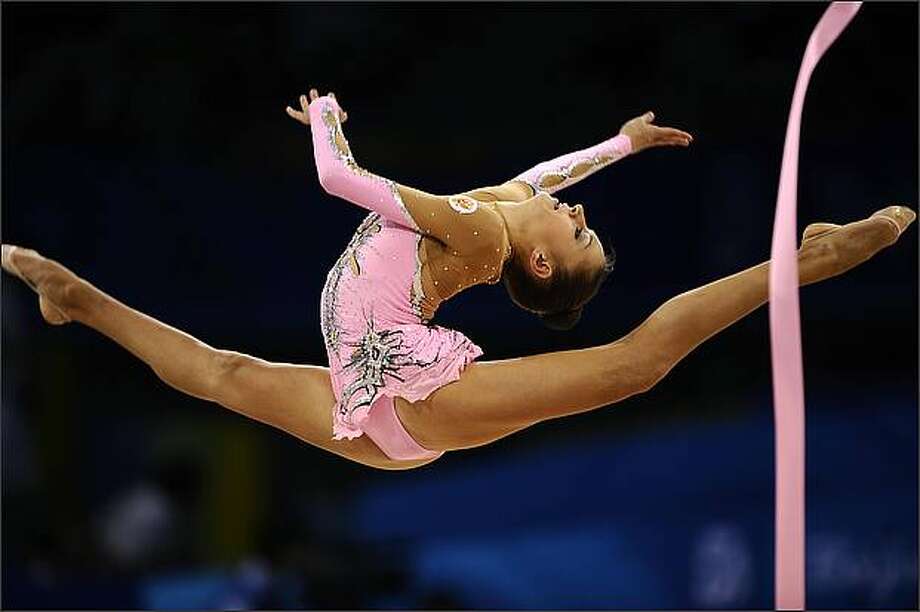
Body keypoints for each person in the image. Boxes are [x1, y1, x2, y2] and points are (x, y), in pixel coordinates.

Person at [2, 88, 914, 471]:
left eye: (580, 236)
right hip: (369, 397)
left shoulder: (474, 226)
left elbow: (335, 179)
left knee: (632, 367)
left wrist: (326, 118)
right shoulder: (508, 206)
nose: (580, 212)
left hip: (411, 390)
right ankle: (76, 299)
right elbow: (557, 175)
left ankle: (812, 259)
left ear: (542, 260)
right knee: (225, 374)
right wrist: (623, 146)